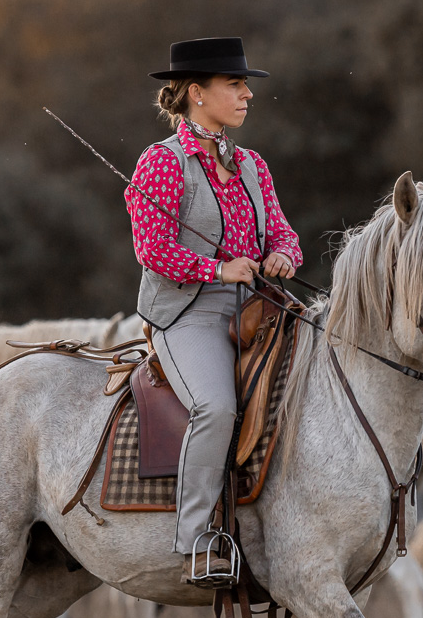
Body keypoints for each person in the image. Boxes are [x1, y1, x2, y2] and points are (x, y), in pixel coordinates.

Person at [126, 37, 302, 585]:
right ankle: (197, 539)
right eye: (236, 85)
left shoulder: (252, 164)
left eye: (246, 85)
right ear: (197, 93)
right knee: (217, 408)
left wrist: (281, 256)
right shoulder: (161, 162)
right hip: (186, 315)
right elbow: (152, 252)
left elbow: (285, 233)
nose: (248, 94)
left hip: (255, 310)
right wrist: (218, 270)